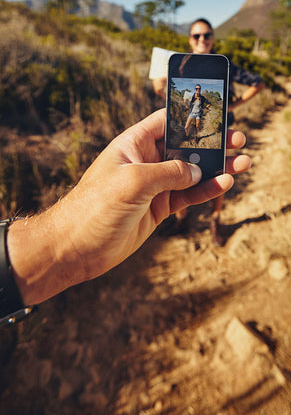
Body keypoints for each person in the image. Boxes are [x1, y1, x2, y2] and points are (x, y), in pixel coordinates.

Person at [0, 109, 250, 324]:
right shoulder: (178, 67)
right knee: (193, 186)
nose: (201, 47)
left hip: (207, 137)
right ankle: (183, 221)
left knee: (216, 181)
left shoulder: (223, 69)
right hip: (180, 140)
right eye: (196, 46)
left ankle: (214, 220)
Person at [153, 18, 265, 246]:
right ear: (190, 39)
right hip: (185, 123)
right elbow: (170, 91)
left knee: (218, 173)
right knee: (180, 171)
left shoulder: (225, 64)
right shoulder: (181, 63)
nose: (202, 40)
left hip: (221, 128)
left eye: (207, 35)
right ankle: (181, 219)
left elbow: (258, 82)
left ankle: (215, 221)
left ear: (213, 38)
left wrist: (232, 105)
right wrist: (160, 88)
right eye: (197, 36)